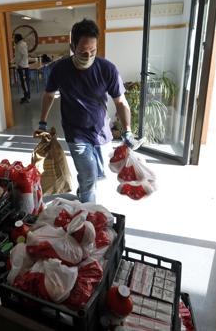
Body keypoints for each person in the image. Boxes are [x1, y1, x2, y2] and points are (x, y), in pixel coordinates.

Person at [37, 19, 139, 203]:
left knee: (99, 174)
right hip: (75, 132)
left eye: (92, 51)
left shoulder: (107, 69)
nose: (88, 55)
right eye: (83, 52)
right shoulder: (60, 69)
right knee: (89, 177)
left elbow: (121, 102)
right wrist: (42, 122)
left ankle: (83, 193)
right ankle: (87, 213)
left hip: (101, 131)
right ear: (72, 46)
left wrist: (127, 130)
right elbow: (49, 95)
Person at [13, 33, 31, 104]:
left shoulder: (21, 45)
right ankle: (25, 96)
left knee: (25, 83)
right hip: (20, 67)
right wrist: (13, 61)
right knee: (23, 83)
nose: (13, 40)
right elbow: (18, 56)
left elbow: (25, 55)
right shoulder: (18, 45)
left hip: (23, 67)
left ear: (17, 38)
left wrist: (20, 65)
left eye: (14, 38)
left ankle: (27, 97)